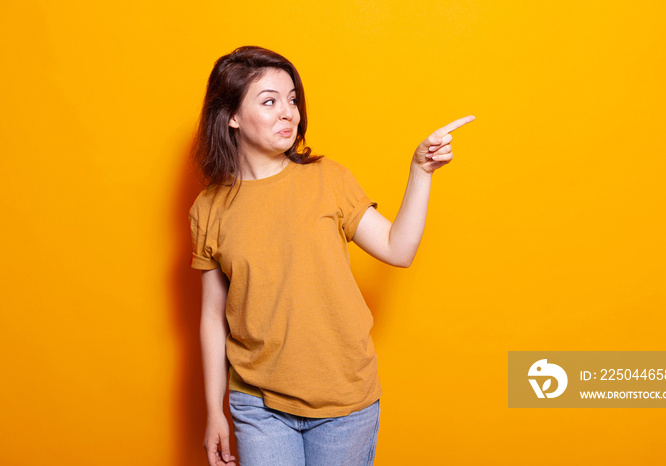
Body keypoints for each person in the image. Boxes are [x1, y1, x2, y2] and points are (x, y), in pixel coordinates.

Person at [188, 45, 474, 466]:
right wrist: (215, 412)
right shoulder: (209, 208)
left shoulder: (328, 179)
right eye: (269, 101)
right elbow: (213, 318)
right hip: (258, 404)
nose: (289, 112)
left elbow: (399, 250)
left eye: (292, 100)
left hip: (344, 402)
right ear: (231, 116)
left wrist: (420, 172)